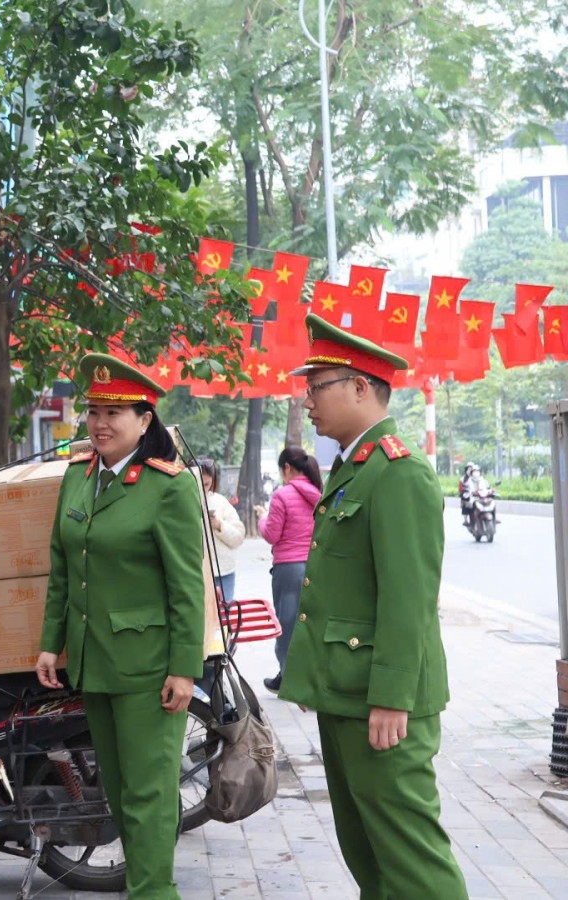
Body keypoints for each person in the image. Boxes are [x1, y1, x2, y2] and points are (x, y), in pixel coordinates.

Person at [279, 314, 468, 899]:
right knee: (368, 855)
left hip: (381, 702)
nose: (308, 399)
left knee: (413, 862)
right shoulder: (352, 470)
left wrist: (391, 697)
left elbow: (409, 601)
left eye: (318, 385)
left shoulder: (399, 474)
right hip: (346, 691)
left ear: (361, 386)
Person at [36, 353, 206, 900]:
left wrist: (185, 669)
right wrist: (50, 644)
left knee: (150, 794)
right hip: (94, 662)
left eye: (115, 412)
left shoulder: (168, 486)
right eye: (94, 411)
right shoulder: (79, 478)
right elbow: (63, 567)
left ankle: (155, 893)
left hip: (149, 669)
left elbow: (187, 587)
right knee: (118, 792)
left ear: (145, 419)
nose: (101, 423)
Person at [253, 446, 322, 693]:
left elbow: (272, 534)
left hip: (288, 569)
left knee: (287, 624)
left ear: (287, 468)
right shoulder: (318, 493)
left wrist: (262, 518)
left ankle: (289, 677)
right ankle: (304, 676)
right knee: (311, 624)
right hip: (315, 566)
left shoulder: (282, 495)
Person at [195, 457, 245, 601]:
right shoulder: (181, 501)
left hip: (223, 572)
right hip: (195, 574)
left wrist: (219, 525)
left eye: (207, 484)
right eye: (198, 483)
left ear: (213, 481)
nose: (203, 488)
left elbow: (238, 538)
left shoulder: (220, 502)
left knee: (225, 616)